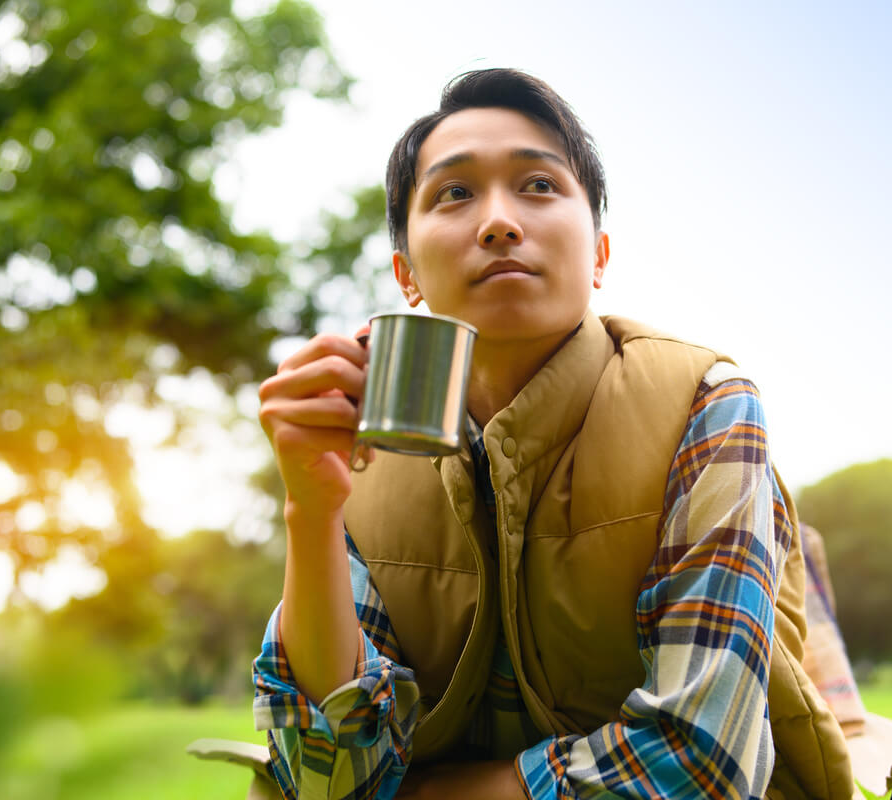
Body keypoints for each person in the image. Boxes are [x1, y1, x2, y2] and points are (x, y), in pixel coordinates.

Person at [254, 68, 854, 799]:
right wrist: (309, 511)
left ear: (599, 254)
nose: (499, 221)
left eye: (539, 186)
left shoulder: (706, 403)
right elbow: (328, 779)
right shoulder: (360, 442)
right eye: (454, 193)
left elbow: (701, 764)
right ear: (406, 274)